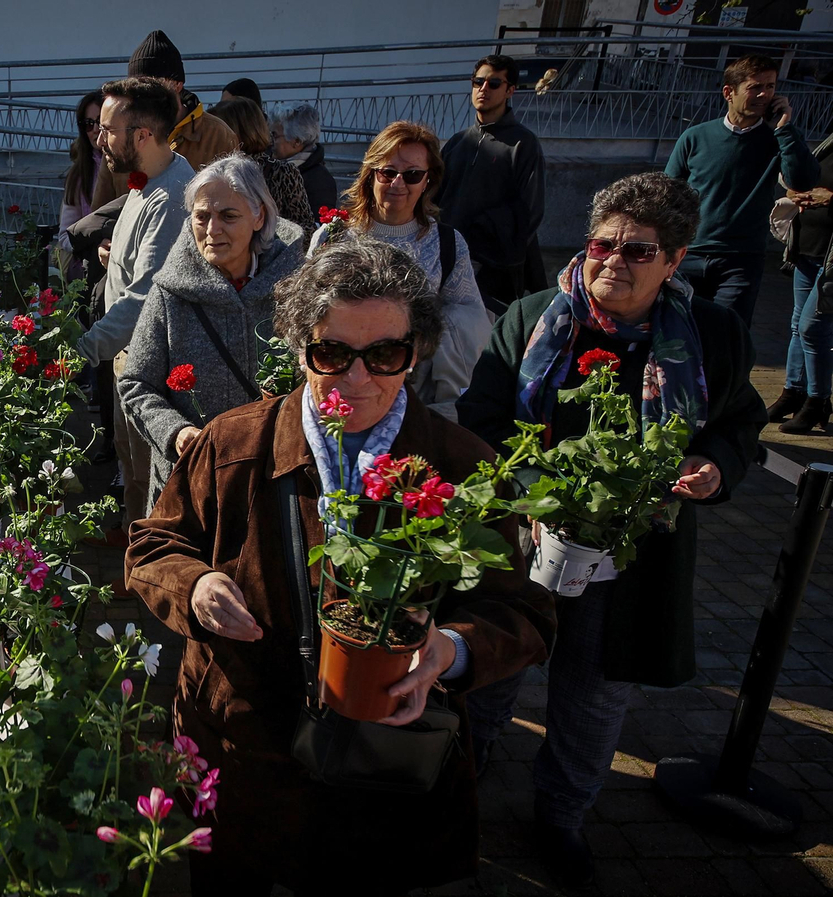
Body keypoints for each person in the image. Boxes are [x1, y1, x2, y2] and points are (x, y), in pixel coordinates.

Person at [126, 238, 555, 895]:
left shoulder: (462, 466)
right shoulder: (233, 442)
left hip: (380, 759)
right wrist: (197, 583)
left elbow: (521, 611)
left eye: (385, 355)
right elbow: (154, 547)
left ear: (415, 351)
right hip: (247, 745)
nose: (357, 378)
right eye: (332, 353)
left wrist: (450, 649)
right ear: (301, 348)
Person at [456, 173, 766, 887]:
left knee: (593, 692)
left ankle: (562, 815)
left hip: (634, 554)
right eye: (602, 245)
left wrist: (714, 465)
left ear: (675, 260)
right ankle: (466, 777)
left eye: (637, 251)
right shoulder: (533, 317)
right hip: (523, 537)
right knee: (491, 666)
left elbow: (740, 421)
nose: (612, 262)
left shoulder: (712, 334)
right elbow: (482, 417)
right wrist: (530, 494)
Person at [118, 154, 308, 508]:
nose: (212, 229)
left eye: (228, 216)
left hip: (274, 482)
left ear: (259, 217)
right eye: (202, 216)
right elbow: (135, 384)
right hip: (191, 486)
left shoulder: (295, 286)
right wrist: (175, 431)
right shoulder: (171, 292)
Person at [309, 121, 489, 420]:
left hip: (416, 397)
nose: (397, 184)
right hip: (343, 389)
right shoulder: (332, 236)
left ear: (428, 180)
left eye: (412, 175)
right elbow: (307, 314)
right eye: (388, 173)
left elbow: (467, 321)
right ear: (370, 174)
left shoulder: (447, 244)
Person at [78, 77, 195, 530]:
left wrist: (82, 351)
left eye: (108, 129)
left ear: (143, 135)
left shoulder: (170, 198)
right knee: (132, 473)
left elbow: (145, 298)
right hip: (127, 358)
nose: (99, 139)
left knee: (151, 487)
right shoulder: (147, 182)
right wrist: (115, 255)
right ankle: (132, 547)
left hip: (147, 366)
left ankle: (146, 561)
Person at [666, 53, 819, 328]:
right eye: (755, 87)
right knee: (679, 329)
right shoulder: (696, 137)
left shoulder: (779, 138)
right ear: (729, 92)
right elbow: (668, 194)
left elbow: (803, 182)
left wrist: (784, 128)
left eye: (770, 86)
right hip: (689, 254)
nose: (764, 94)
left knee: (727, 333)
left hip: (741, 259)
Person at [434, 54, 546, 311]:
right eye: (478, 82)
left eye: (494, 83)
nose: (483, 89)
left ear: (510, 91)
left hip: (493, 273)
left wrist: (488, 259)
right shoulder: (457, 143)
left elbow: (531, 212)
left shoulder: (523, 145)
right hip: (446, 263)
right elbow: (433, 199)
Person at [89, 30, 238, 210]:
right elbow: (100, 210)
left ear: (177, 85)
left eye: (152, 84)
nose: (142, 93)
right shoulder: (120, 135)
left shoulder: (217, 135)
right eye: (136, 85)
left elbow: (233, 206)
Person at [769, 133, 833, 432]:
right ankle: (793, 392)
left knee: (812, 328)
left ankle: (818, 400)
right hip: (807, 249)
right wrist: (796, 192)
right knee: (797, 326)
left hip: (830, 260)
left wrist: (829, 197)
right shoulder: (829, 142)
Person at [207, 97, 313, 227]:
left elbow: (306, 226)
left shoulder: (281, 172)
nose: (210, 137)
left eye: (217, 131)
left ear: (239, 133)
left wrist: (272, 236)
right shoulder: (210, 171)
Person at [59, 89, 107, 281]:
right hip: (91, 267)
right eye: (88, 124)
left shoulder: (131, 166)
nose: (95, 129)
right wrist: (93, 247)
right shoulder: (79, 174)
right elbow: (65, 235)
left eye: (100, 122)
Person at [270, 103, 336, 224]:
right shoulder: (275, 167)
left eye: (275, 136)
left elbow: (317, 228)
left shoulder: (319, 181)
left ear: (297, 141)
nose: (270, 141)